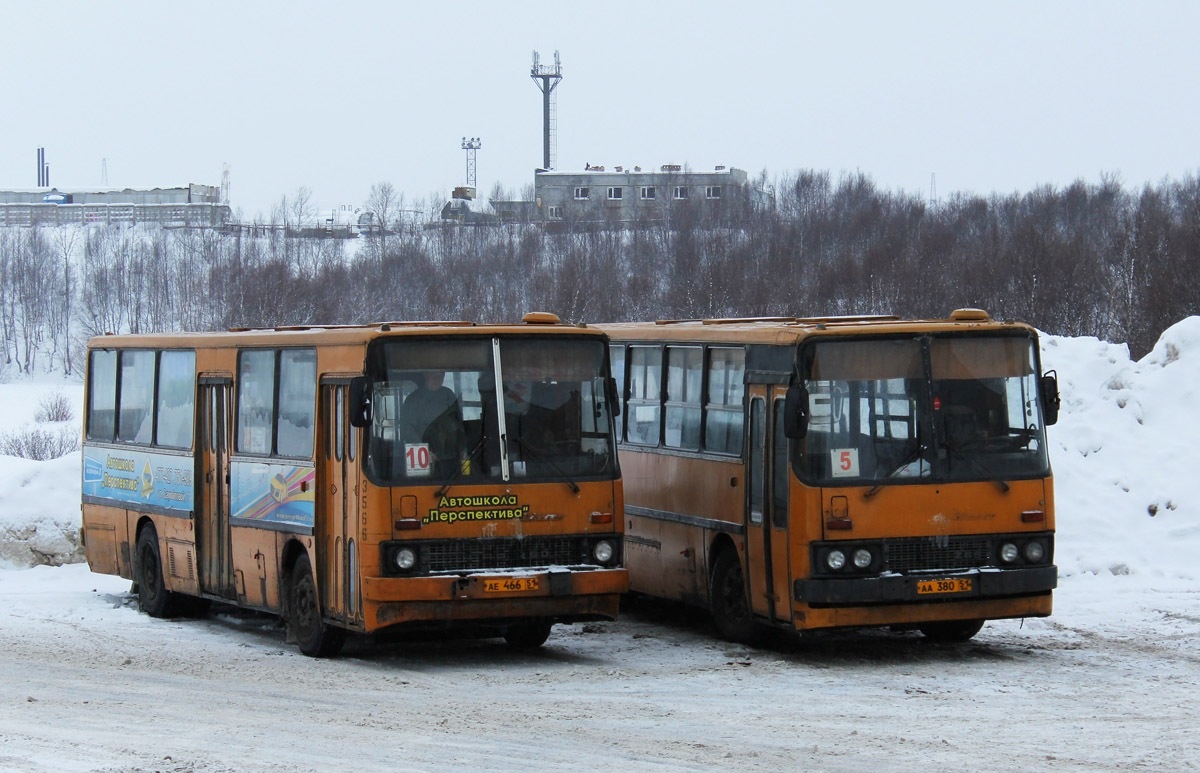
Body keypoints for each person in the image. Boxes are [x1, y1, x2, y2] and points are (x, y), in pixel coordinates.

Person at [400, 371, 465, 477]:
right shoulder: (413, 400)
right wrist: (425, 452)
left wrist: (463, 449)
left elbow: (459, 425)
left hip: (450, 458)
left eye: (440, 376)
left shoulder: (449, 396)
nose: (437, 379)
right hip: (422, 459)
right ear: (425, 376)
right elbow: (407, 431)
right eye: (433, 375)